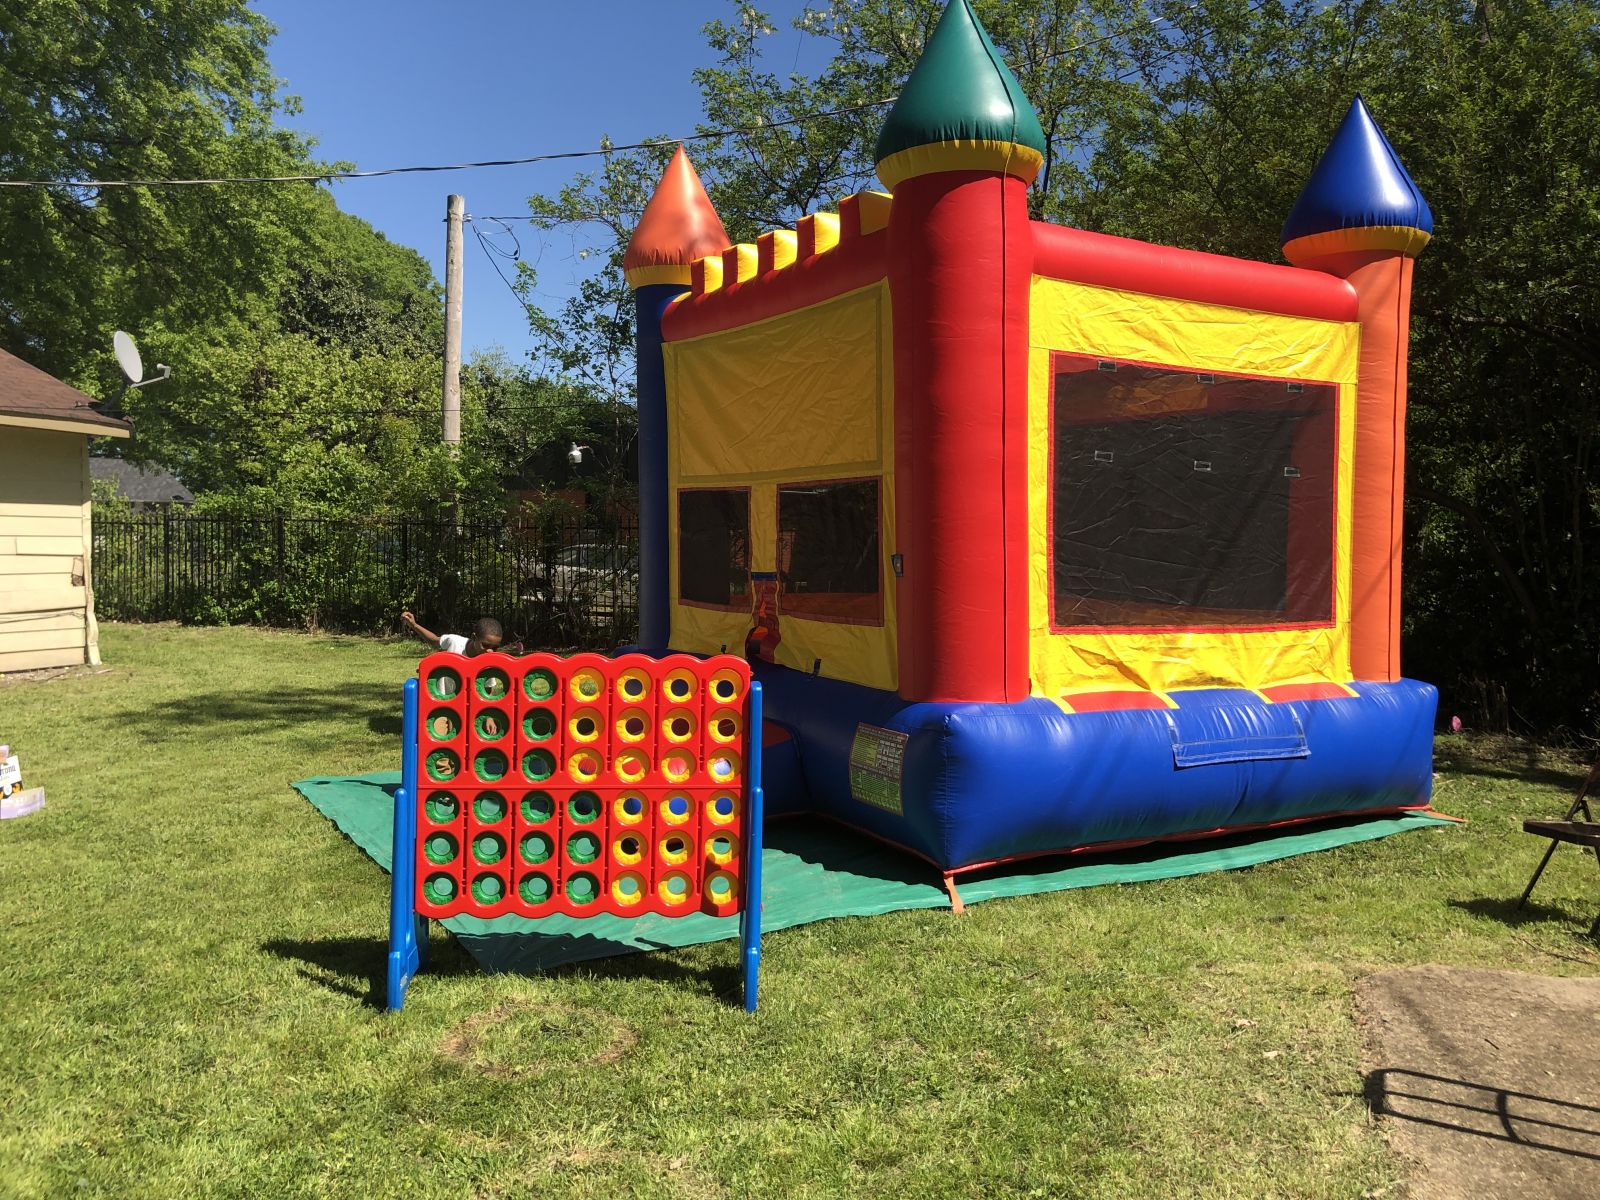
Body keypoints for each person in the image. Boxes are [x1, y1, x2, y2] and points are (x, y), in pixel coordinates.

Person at [400, 612, 504, 656]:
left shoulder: (490, 662)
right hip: (443, 700)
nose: (490, 651)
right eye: (485, 645)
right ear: (473, 637)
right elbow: (434, 640)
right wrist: (414, 625)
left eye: (495, 648)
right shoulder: (454, 642)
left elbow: (487, 694)